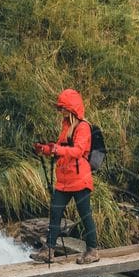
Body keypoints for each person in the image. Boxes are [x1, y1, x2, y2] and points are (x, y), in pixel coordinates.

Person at [31, 88, 100, 263]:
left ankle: (92, 251)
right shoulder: (66, 125)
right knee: (55, 213)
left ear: (72, 109)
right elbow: (61, 148)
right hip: (64, 180)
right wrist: (45, 149)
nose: (60, 111)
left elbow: (77, 151)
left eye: (63, 108)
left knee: (85, 214)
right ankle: (49, 251)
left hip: (79, 179)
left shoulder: (83, 127)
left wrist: (56, 149)